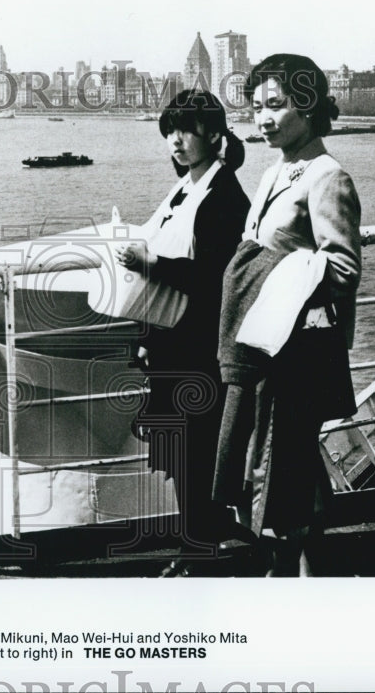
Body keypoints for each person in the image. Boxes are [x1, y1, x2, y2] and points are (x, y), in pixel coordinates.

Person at [212, 53, 362, 576]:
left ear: (309, 106)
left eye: (275, 105)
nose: (263, 118)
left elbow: (342, 268)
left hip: (289, 354)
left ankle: (290, 578)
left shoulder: (326, 176)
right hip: (259, 348)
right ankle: (304, 571)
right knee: (273, 465)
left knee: (277, 467)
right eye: (256, 107)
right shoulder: (275, 171)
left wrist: (278, 277)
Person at [116, 89, 250, 576]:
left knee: (194, 455)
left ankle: (198, 557)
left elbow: (217, 277)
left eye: (186, 130)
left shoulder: (224, 196)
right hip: (173, 343)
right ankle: (199, 546)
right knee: (183, 453)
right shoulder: (188, 188)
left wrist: (151, 262)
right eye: (169, 130)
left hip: (198, 349)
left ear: (214, 135)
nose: (175, 140)